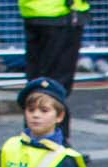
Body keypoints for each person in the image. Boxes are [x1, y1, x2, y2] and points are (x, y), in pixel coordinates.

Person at [18, 0, 86, 141]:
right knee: (56, 87)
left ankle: (33, 137)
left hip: (33, 10)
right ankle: (54, 140)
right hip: (60, 12)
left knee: (36, 83)